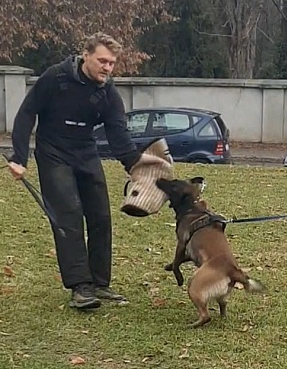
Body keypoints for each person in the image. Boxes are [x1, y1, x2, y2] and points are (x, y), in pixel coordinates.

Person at [7, 32, 164, 310]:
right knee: (68, 216)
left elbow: (119, 137)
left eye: (112, 63)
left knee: (101, 216)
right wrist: (19, 157)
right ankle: (81, 287)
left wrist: (137, 165)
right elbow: (27, 113)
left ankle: (100, 283)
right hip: (53, 154)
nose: (107, 68)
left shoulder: (108, 93)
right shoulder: (55, 78)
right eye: (103, 61)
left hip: (85, 153)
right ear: (86, 55)